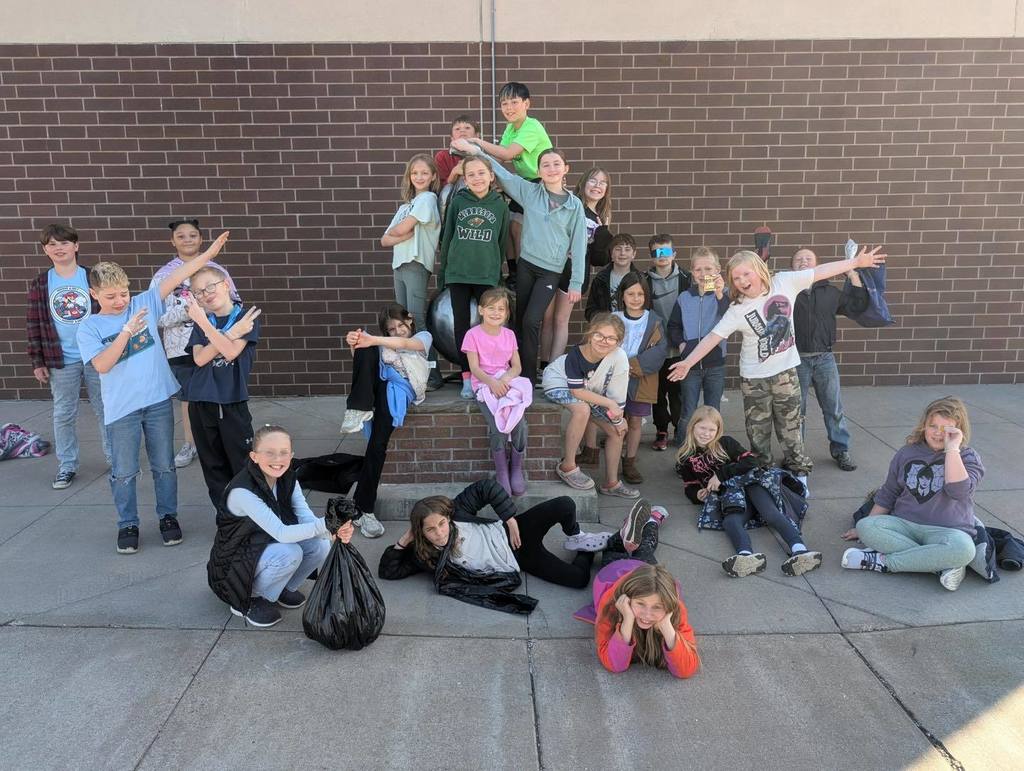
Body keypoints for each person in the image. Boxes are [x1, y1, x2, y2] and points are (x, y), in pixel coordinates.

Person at [669, 246, 886, 493]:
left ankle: (799, 476)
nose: (742, 281)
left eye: (746, 274)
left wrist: (855, 262)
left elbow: (820, 271)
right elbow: (712, 338)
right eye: (736, 278)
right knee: (758, 435)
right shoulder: (737, 309)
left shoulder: (784, 282)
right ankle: (764, 477)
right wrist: (687, 362)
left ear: (759, 270)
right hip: (753, 380)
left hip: (786, 374)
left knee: (791, 430)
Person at [77, 232, 230, 554]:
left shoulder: (144, 301)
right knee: (124, 471)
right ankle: (127, 523)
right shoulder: (89, 327)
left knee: (164, 465)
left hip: (158, 401)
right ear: (94, 293)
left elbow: (181, 273)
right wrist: (126, 331)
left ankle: (168, 518)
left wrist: (211, 252)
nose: (120, 301)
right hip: (122, 409)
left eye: (123, 293)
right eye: (110, 296)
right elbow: (103, 365)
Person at [450, 140, 587, 385]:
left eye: (556, 164)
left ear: (566, 168)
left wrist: (576, 281)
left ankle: (527, 377)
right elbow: (501, 172)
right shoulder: (530, 192)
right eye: (546, 165)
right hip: (526, 266)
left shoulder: (574, 205)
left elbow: (578, 245)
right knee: (520, 318)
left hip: (550, 272)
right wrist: (476, 152)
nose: (551, 168)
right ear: (539, 171)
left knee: (532, 320)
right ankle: (515, 370)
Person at [377, 479, 614, 614]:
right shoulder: (426, 555)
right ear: (421, 532)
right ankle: (586, 550)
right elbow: (388, 571)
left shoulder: (457, 511)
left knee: (564, 504)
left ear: (447, 518)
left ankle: (576, 537)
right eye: (430, 529)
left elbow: (486, 488)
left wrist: (510, 518)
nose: (440, 533)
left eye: (442, 524)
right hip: (519, 560)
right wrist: (404, 540)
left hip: (514, 531)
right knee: (579, 579)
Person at [207, 424, 353, 628]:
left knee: (320, 545)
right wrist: (328, 524)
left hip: (262, 546)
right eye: (269, 453)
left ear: (291, 455)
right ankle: (247, 599)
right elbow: (281, 533)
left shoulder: (288, 478)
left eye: (283, 452)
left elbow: (306, 518)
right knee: (289, 552)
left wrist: (333, 531)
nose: (278, 459)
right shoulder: (243, 491)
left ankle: (279, 588)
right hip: (232, 566)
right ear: (254, 456)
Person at [841, 397, 984, 592]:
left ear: (958, 431)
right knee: (866, 526)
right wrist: (863, 530)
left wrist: (952, 450)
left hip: (947, 532)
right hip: (905, 525)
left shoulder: (967, 457)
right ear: (923, 425)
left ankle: (883, 562)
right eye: (933, 426)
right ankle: (940, 565)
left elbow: (958, 492)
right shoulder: (906, 453)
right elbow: (889, 493)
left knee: (965, 550)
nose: (938, 433)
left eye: (946, 429)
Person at [675, 406, 822, 577]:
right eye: (702, 428)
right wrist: (697, 494)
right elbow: (689, 485)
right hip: (731, 496)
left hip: (751, 484)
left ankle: (800, 551)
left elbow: (751, 462)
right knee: (730, 522)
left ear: (718, 431)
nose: (706, 433)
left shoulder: (725, 443)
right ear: (692, 426)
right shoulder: (685, 457)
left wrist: (720, 475)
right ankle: (745, 556)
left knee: (770, 513)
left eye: (711, 430)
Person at [25, 223, 111, 489]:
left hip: (97, 355)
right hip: (59, 357)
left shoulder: (92, 277)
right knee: (63, 413)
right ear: (45, 250)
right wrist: (37, 360)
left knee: (106, 408)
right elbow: (34, 322)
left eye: (63, 243)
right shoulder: (42, 283)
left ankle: (116, 459)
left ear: (75, 246)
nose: (58, 248)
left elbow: (111, 314)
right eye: (52, 244)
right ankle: (67, 465)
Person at [151, 218, 240, 469]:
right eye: (181, 236)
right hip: (180, 347)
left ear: (201, 239)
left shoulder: (216, 271)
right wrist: (190, 311)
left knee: (218, 393)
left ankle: (220, 442)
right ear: (172, 241)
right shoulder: (164, 276)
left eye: (192, 235)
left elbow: (236, 304)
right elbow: (155, 317)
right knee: (189, 399)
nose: (187, 240)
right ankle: (191, 443)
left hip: (215, 344)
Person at [340, 303, 432, 539]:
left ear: (410, 321)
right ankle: (357, 409)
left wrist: (372, 340)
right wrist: (356, 343)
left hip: (398, 391)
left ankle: (363, 509)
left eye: (401, 325)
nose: (398, 331)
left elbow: (404, 344)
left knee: (377, 446)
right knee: (365, 348)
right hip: (378, 387)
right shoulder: (380, 344)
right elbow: (363, 363)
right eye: (391, 329)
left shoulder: (423, 336)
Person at [181, 266, 262, 507]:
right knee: (213, 464)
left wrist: (213, 327)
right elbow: (200, 358)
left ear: (226, 284)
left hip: (231, 401)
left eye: (209, 287)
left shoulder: (246, 317)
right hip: (200, 401)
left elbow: (229, 352)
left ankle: (251, 515)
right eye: (198, 292)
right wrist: (229, 333)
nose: (205, 294)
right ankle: (226, 518)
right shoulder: (202, 322)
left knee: (242, 462)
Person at [457, 82, 553, 281]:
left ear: (527, 104)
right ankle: (514, 272)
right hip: (525, 182)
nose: (509, 108)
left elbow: (507, 154)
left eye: (514, 102)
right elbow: (498, 159)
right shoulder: (511, 127)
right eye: (504, 103)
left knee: (517, 227)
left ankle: (522, 273)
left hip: (540, 184)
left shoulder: (532, 126)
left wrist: (477, 142)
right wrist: (476, 163)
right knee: (507, 223)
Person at [437, 155, 510, 399]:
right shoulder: (458, 202)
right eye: (471, 175)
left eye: (481, 173)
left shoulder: (499, 205)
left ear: (491, 176)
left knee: (489, 326)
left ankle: (489, 373)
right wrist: (443, 272)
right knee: (461, 327)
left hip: (486, 275)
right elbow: (447, 238)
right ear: (465, 180)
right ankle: (467, 376)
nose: (477, 178)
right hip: (458, 273)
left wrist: (496, 273)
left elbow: (501, 243)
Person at [542, 313, 638, 498]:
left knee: (617, 431)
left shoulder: (619, 357)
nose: (604, 341)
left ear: (619, 342)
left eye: (611, 338)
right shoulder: (576, 354)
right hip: (558, 382)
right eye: (599, 335)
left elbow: (617, 397)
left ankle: (612, 483)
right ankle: (567, 465)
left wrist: (617, 420)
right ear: (590, 334)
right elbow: (577, 392)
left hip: (590, 392)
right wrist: (609, 404)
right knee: (582, 409)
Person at [791, 247, 869, 472]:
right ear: (792, 265)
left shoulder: (830, 292)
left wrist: (852, 272)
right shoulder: (786, 291)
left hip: (824, 358)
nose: (804, 261)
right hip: (795, 359)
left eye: (809, 258)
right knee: (797, 410)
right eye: (799, 259)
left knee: (833, 407)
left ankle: (841, 450)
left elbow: (857, 304)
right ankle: (797, 454)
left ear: (818, 265)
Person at [538, 166, 613, 369]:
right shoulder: (571, 204)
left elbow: (598, 259)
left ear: (606, 189)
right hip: (553, 268)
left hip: (575, 274)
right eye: (593, 180)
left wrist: (602, 233)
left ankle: (552, 369)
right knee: (546, 319)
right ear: (583, 183)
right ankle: (543, 365)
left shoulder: (602, 217)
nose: (597, 186)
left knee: (561, 321)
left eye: (602, 182)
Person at [381, 154, 443, 390]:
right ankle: (414, 371)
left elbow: (401, 229)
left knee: (416, 319)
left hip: (416, 263)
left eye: (424, 173)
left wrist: (402, 233)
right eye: (415, 173)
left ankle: (433, 375)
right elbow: (385, 240)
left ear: (433, 176)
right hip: (400, 264)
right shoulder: (405, 206)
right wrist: (403, 234)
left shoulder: (427, 199)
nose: (419, 177)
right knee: (402, 322)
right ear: (409, 176)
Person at [461, 288, 531, 496]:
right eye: (491, 308)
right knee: (498, 425)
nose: (496, 312)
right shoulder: (472, 335)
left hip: (506, 381)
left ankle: (515, 469)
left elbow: (516, 366)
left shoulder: (509, 335)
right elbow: (474, 368)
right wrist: (492, 382)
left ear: (507, 313)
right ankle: (501, 471)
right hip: (484, 385)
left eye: (501, 308)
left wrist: (505, 380)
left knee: (519, 422)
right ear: (481, 310)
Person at [666, 247, 729, 447]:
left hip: (715, 365)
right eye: (698, 270)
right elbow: (673, 326)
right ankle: (684, 451)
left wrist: (719, 294)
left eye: (708, 269)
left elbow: (731, 317)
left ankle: (711, 451)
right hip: (690, 365)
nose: (704, 274)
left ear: (718, 270)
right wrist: (682, 345)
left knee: (713, 410)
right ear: (692, 272)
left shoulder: (724, 295)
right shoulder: (684, 298)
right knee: (689, 410)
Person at [593, 562, 699, 678]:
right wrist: (627, 621)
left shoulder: (676, 609)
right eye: (640, 604)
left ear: (668, 607)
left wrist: (668, 628)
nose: (647, 615)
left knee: (643, 552)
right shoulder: (611, 606)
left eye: (657, 607)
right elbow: (614, 664)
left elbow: (685, 669)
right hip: (612, 572)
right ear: (628, 600)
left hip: (644, 567)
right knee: (613, 551)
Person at [613, 274, 668, 485]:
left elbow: (659, 351)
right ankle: (611, 456)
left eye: (640, 294)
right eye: (630, 294)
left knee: (635, 421)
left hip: (641, 377)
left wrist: (631, 367)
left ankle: (629, 462)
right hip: (615, 378)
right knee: (615, 419)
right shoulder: (614, 318)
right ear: (623, 296)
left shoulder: (654, 320)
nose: (635, 298)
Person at [645, 234, 692, 451]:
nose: (661, 256)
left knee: (677, 392)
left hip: (680, 346)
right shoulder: (644, 280)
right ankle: (661, 430)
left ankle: (679, 431)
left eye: (665, 251)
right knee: (657, 392)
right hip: (656, 348)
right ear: (652, 256)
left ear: (674, 254)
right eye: (656, 252)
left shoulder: (687, 278)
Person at [584, 233, 641, 320]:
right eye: (618, 249)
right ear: (611, 253)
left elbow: (647, 308)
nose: (622, 253)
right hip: (608, 328)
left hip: (634, 329)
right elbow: (590, 311)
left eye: (627, 249)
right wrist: (605, 319)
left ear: (634, 254)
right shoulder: (600, 279)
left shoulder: (641, 279)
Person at [434, 114, 479, 187]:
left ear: (477, 135)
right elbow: (439, 187)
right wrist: (454, 172)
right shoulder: (442, 156)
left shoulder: (481, 155)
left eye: (467, 128)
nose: (462, 131)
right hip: (451, 195)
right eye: (457, 129)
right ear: (452, 137)